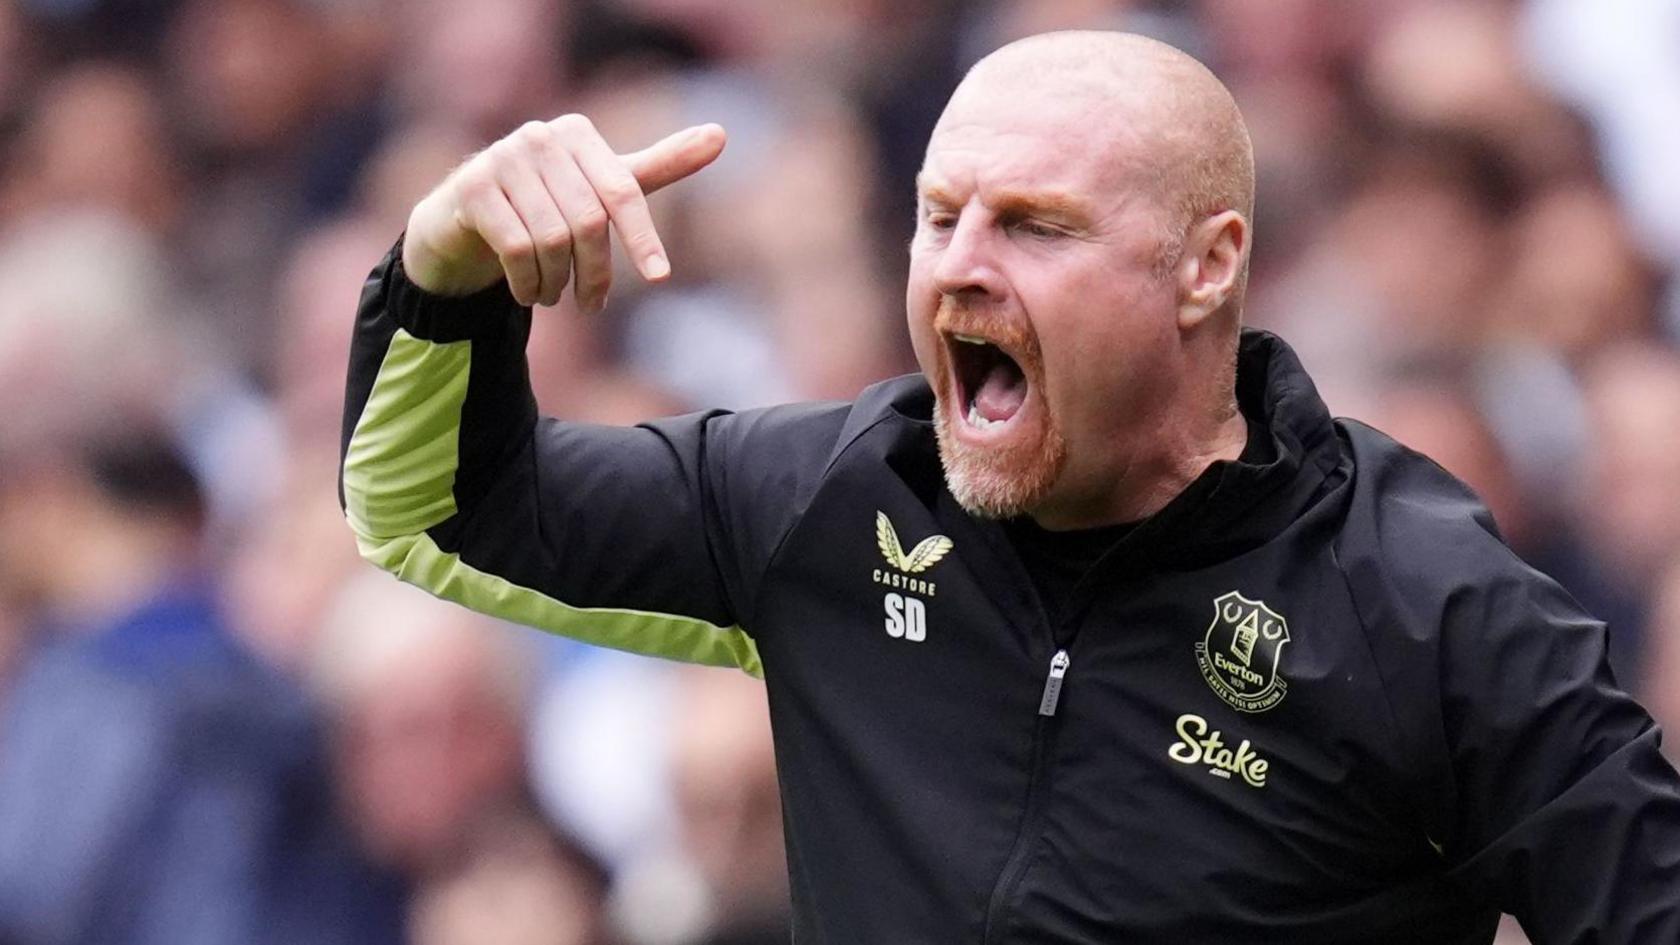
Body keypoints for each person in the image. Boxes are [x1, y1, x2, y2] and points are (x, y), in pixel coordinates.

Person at [340, 31, 1680, 943]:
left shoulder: (1425, 604)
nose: (961, 266)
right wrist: (441, 272)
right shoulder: (826, 498)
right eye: (939, 215)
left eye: (1035, 224)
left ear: (1205, 267)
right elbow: (435, 509)